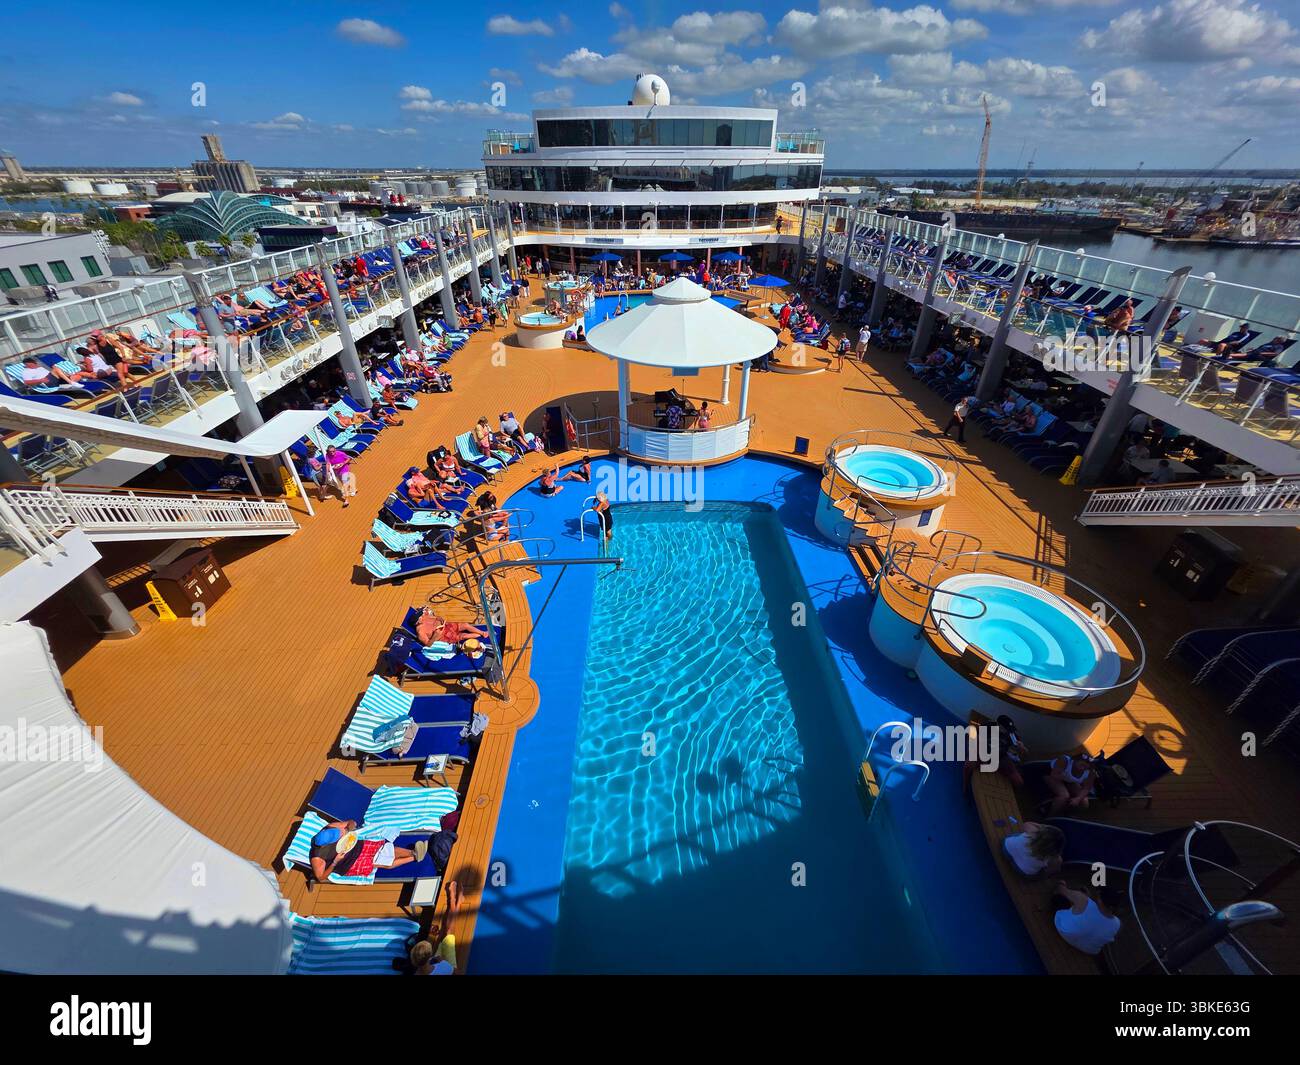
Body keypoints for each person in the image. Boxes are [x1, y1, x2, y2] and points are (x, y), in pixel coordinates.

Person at [309, 820, 425, 882]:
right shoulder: (317, 857)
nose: (340, 834)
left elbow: (351, 822)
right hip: (349, 863)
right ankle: (414, 857)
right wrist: (335, 861)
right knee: (379, 862)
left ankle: (413, 853)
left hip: (357, 846)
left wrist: (349, 829)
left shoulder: (331, 828)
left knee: (384, 849)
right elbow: (320, 877)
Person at [404, 881, 462, 975]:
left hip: (435, 963)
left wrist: (437, 960)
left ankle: (453, 902)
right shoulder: (443, 966)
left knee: (443, 932)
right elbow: (458, 973)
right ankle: (456, 902)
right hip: (447, 966)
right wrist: (442, 961)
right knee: (447, 932)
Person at [1052, 882, 1121, 955]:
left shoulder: (1083, 899)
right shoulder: (1118, 924)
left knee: (1062, 894)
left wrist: (1062, 883)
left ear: (1100, 900)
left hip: (1063, 930)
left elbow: (1061, 889)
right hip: (1089, 950)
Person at [414, 607, 488, 647]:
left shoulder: (424, 617)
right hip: (443, 636)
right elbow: (428, 644)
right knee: (463, 636)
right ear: (417, 622)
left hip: (447, 626)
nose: (422, 616)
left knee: (465, 625)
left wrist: (441, 619)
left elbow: (437, 617)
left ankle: (482, 632)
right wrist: (435, 636)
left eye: (421, 615)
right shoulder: (421, 632)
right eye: (420, 617)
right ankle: (482, 635)